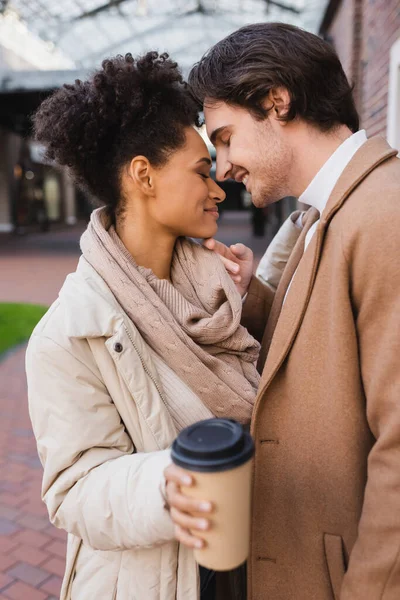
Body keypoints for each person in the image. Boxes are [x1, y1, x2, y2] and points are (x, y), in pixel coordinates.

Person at [25, 51, 298, 600]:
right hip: (158, 580)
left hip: (261, 560)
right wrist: (168, 485)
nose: (221, 185)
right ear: (144, 176)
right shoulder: (68, 334)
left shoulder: (219, 289)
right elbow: (74, 489)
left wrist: (253, 298)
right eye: (202, 171)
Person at [165, 22, 400, 600]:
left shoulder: (383, 215)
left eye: (224, 138)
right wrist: (256, 297)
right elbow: (331, 340)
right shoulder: (325, 213)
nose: (222, 169)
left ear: (276, 101)